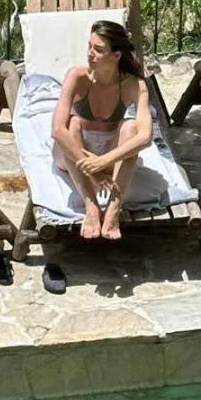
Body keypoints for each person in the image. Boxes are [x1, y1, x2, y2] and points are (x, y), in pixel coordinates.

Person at [51, 19, 153, 240]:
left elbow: (146, 136)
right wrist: (93, 170)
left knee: (131, 127)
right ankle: (91, 205)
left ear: (116, 55)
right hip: (75, 153)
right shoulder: (77, 76)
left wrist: (104, 161)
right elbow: (57, 130)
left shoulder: (135, 85)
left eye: (98, 50)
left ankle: (114, 208)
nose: (90, 54)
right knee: (72, 123)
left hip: (108, 152)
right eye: (89, 46)